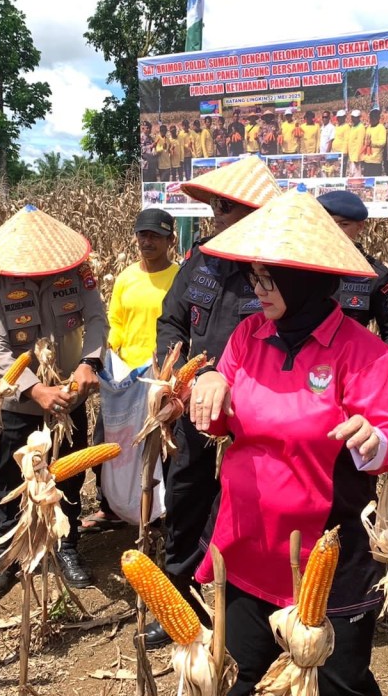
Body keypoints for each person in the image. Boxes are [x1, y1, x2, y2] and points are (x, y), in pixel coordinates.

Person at [190, 189, 388, 696]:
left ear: (304, 281)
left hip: (325, 557)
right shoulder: (248, 336)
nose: (257, 289)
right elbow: (221, 421)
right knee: (234, 678)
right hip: (247, 544)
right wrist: (207, 387)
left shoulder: (365, 353)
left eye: (269, 279)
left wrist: (371, 440)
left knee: (339, 681)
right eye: (254, 277)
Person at [149, 156, 281, 649]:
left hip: (247, 418)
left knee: (241, 510)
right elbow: (171, 323)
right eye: (214, 206)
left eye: (225, 207)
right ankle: (178, 602)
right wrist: (185, 377)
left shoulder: (276, 269)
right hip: (191, 412)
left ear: (252, 212)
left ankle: (232, 610)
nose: (216, 214)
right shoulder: (199, 258)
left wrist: (229, 384)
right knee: (184, 501)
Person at [0, 205, 108, 599]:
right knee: (9, 481)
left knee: (67, 475)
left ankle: (66, 545)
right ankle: (6, 556)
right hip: (18, 403)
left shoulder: (76, 273)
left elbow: (97, 318)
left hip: (69, 397)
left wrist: (88, 363)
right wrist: (35, 389)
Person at [85, 208, 179, 532]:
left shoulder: (178, 278)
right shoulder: (126, 277)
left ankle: (159, 511)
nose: (147, 241)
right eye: (143, 234)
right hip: (125, 377)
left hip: (160, 377)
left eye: (155, 235)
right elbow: (116, 324)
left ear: (170, 239)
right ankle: (108, 505)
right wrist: (108, 362)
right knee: (107, 440)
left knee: (159, 446)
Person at [317, 191, 388, 364]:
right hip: (304, 365)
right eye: (329, 223)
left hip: (351, 366)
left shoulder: (375, 275)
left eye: (344, 224)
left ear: (360, 226)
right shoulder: (302, 266)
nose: (335, 231)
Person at [362, 109, 387, 176]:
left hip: (375, 161)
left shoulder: (381, 128)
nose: (372, 120)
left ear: (378, 118)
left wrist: (371, 143)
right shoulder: (368, 128)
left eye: (374, 118)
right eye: (371, 118)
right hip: (367, 160)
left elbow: (382, 143)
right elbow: (365, 142)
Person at [346, 109, 367, 177]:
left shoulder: (361, 127)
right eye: (352, 117)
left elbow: (360, 143)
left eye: (355, 117)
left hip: (356, 157)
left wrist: (357, 157)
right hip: (351, 155)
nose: (353, 119)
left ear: (359, 117)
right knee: (351, 174)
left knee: (356, 175)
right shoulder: (353, 126)